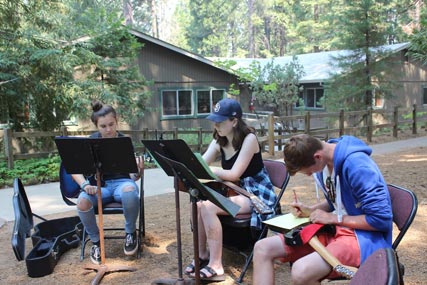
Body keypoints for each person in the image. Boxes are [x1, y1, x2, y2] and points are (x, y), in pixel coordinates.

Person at [252, 134, 393, 285]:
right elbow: (338, 202)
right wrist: (311, 209)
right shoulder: (326, 162)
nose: (308, 175)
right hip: (334, 229)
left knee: (301, 272)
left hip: (364, 238)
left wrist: (333, 218)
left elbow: (381, 220)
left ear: (317, 156)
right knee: (262, 248)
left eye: (308, 171)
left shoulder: (358, 166)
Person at [184, 98, 278, 281]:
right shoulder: (219, 139)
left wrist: (210, 171)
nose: (216, 125)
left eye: (220, 121)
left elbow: (235, 173)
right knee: (197, 204)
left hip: (254, 194)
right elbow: (202, 163)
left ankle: (216, 265)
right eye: (214, 121)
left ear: (234, 121)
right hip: (233, 190)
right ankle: (202, 255)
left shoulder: (249, 139)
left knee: (209, 206)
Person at [72, 100, 142, 265]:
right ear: (96, 126)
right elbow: (74, 170)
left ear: (117, 121)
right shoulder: (89, 142)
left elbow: (133, 176)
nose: (109, 129)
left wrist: (138, 171)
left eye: (111, 124)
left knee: (130, 191)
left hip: (122, 184)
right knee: (82, 202)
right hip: (98, 188)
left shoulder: (124, 141)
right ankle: (96, 242)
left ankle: (131, 233)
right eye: (103, 126)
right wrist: (84, 185)